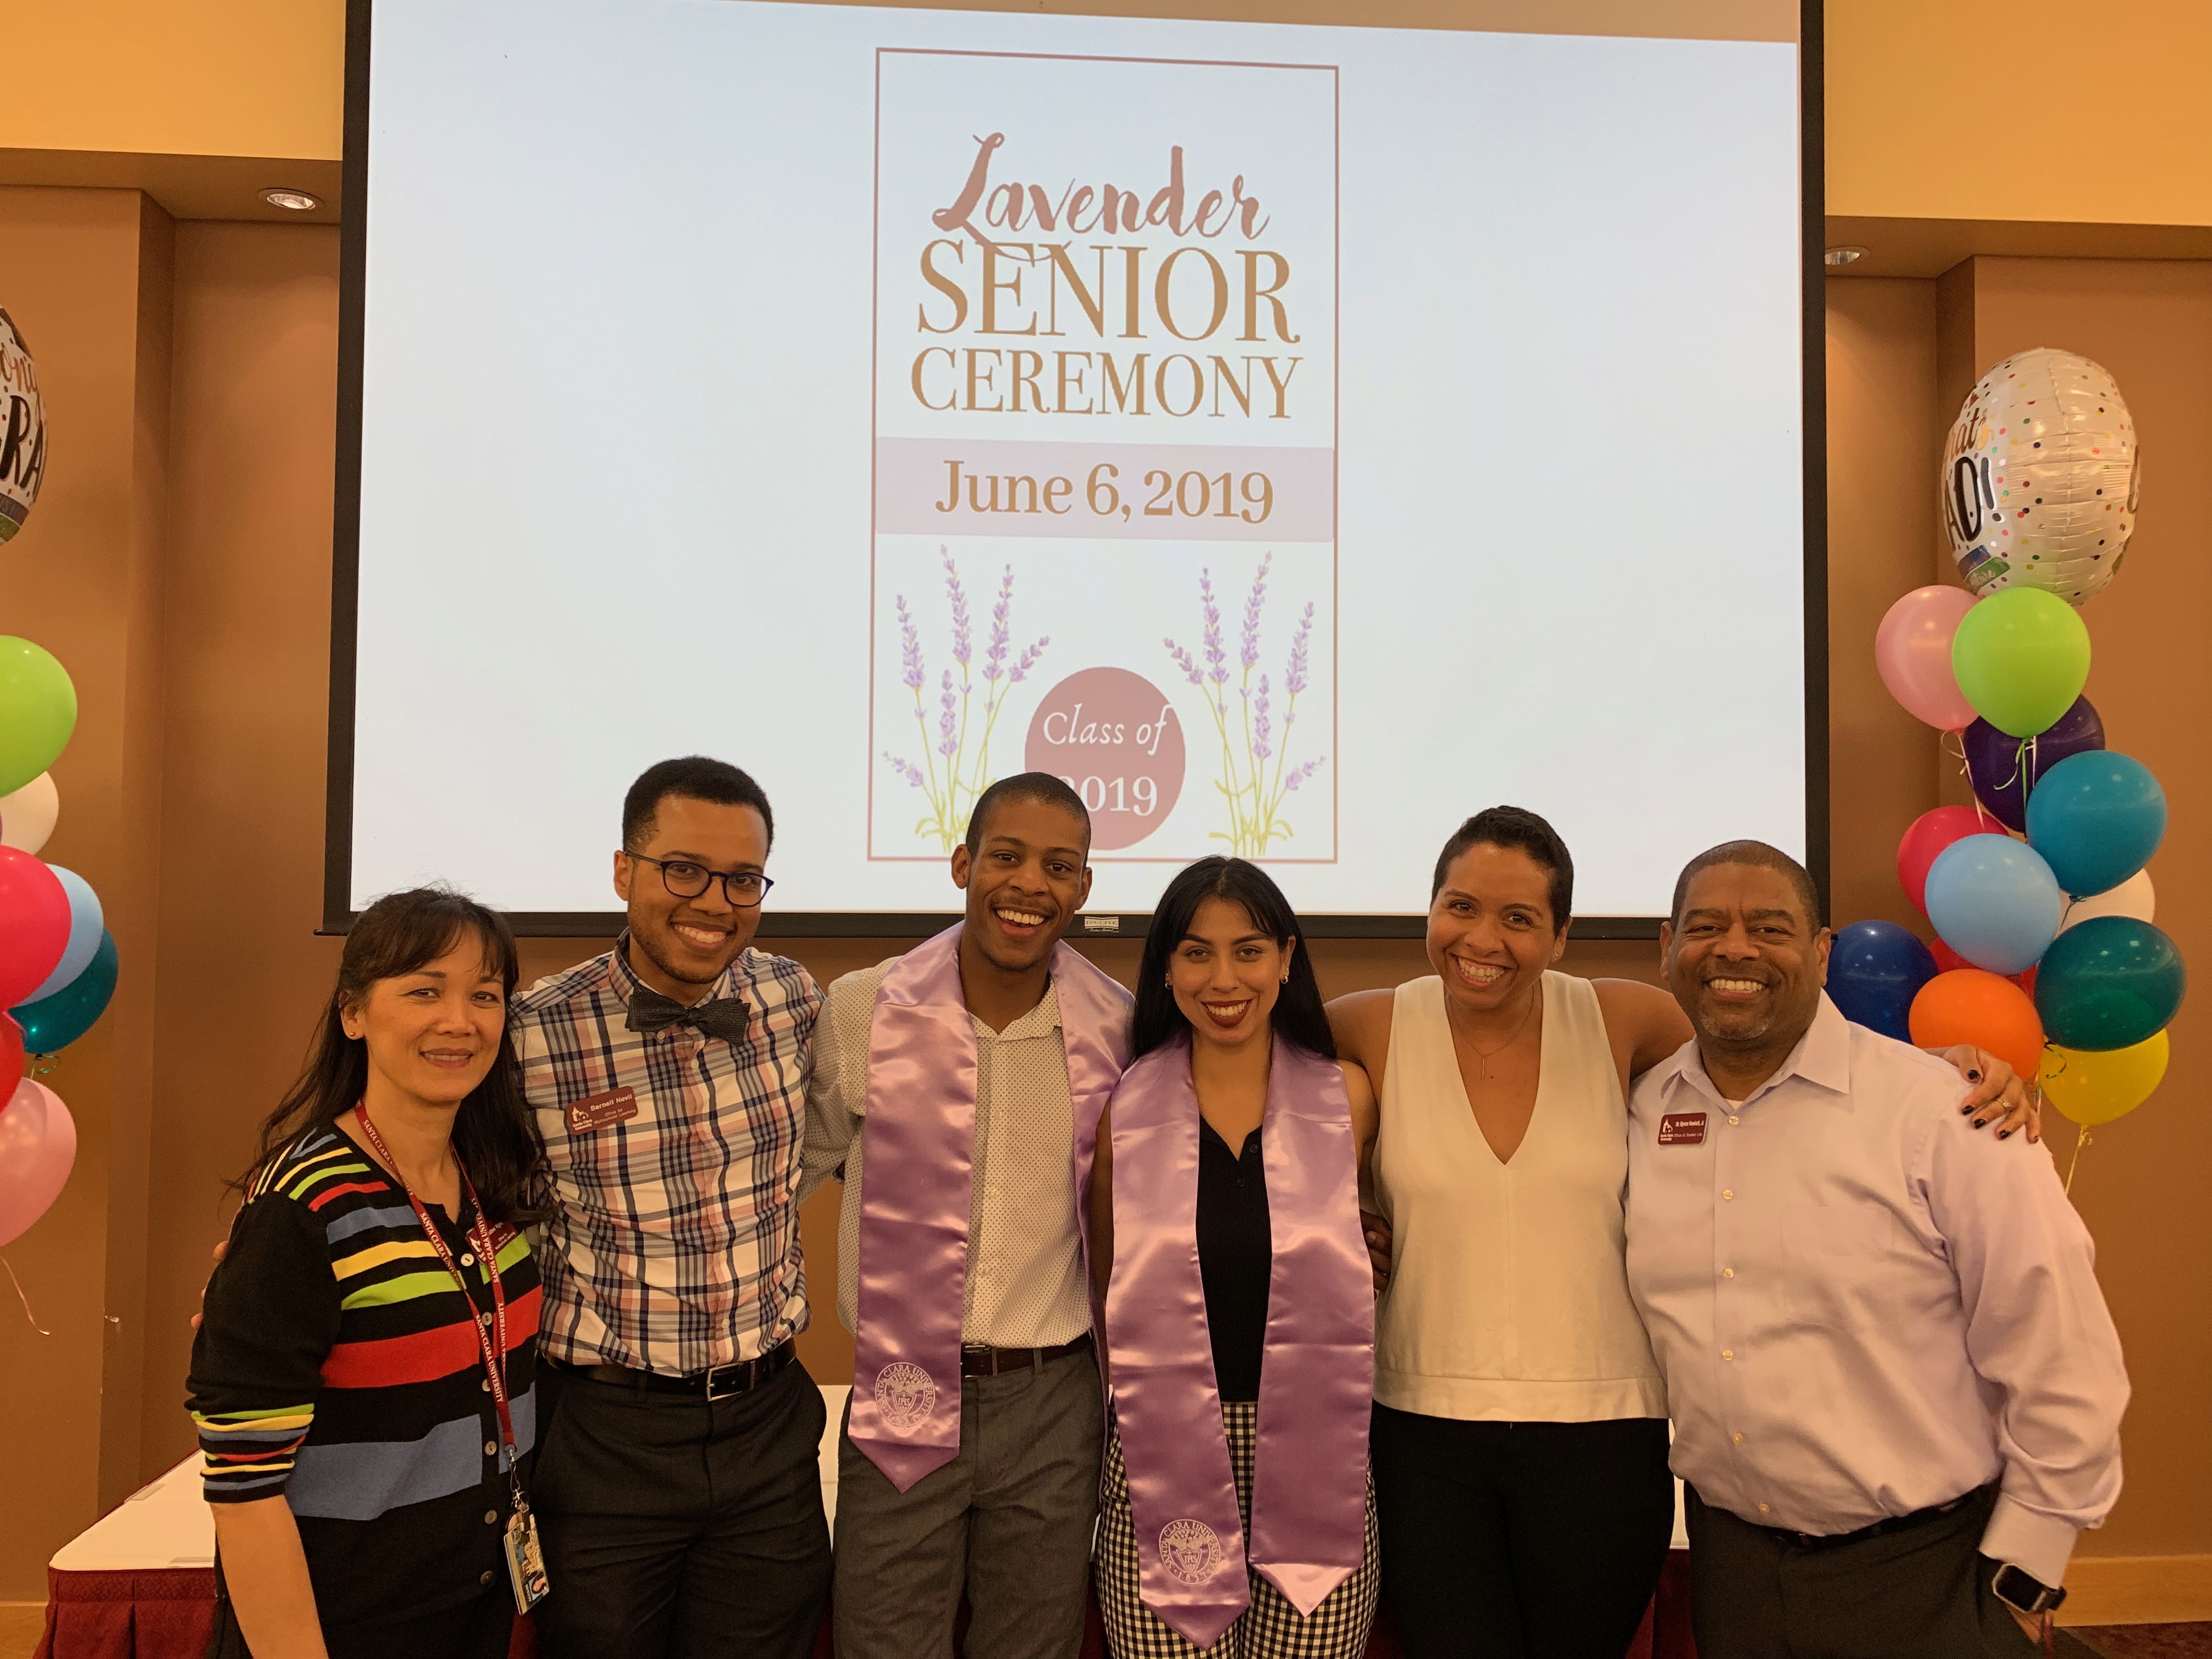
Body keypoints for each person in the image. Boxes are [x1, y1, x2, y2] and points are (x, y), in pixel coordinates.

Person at [1333, 808, 2038, 1659]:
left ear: (1560, 938)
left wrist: (1943, 1064)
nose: (1484, 937)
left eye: (1520, 918)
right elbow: (1244, 1067)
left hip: (1602, 1436)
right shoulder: (1370, 1024)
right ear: (1431, 909)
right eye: (1462, 906)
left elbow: (1779, 1050)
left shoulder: (1621, 1020)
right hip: (1421, 1433)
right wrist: (1349, 1225)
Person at [1624, 841, 2129, 1659]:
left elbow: (2058, 1339)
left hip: (1929, 1570)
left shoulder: (1941, 1113)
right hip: (1733, 1571)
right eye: (1707, 925)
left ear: (1822, 953)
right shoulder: (1646, 1113)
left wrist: (2030, 1559)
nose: (1736, 949)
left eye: (1771, 927)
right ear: (1668, 947)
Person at [802, 772, 1133, 1659]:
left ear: (1084, 888)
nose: (1031, 885)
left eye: (1059, 866)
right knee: (883, 1643)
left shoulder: (1121, 1031)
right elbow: (798, 1163)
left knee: (1034, 1646)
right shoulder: (864, 1008)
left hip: (1051, 1400)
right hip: (901, 1385)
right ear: (963, 863)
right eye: (1008, 857)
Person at [513, 757, 829, 1659]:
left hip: (768, 1432)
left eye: (741, 880)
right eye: (682, 870)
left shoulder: (792, 1000)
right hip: (605, 1440)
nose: (712, 902)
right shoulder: (535, 1035)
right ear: (625, 872)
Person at [189, 888, 544, 1659]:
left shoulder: (494, 1184)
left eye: (485, 996)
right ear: (354, 1013)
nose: (460, 1021)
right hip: (335, 1623)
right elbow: (244, 1494)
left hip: (468, 1609)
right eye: (424, 991)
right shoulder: (304, 1205)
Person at [1088, 857, 1381, 1659]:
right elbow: (1104, 1278)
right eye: (1196, 952)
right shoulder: (1121, 1111)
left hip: (1318, 1455)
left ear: (1287, 960)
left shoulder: (1346, 1099)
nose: (1225, 978)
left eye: (1249, 951)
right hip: (1161, 1453)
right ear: (1167, 969)